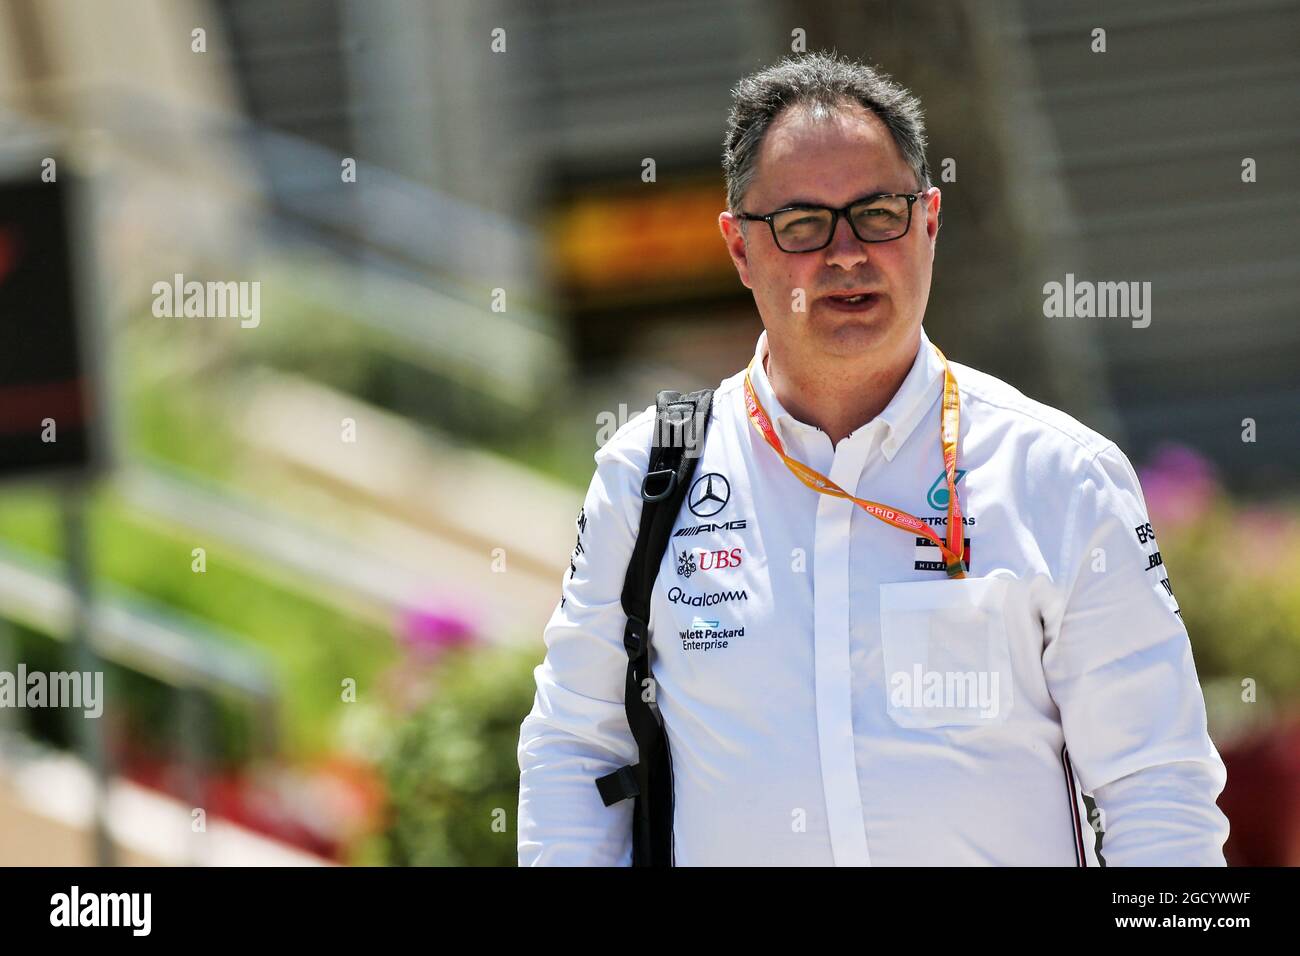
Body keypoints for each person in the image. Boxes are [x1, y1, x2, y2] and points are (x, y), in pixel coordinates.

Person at [516, 51, 1229, 866]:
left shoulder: (1059, 474)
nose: (846, 253)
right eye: (802, 224)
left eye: (878, 214)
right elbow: (576, 748)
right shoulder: (648, 476)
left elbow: (1156, 787)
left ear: (929, 221)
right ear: (741, 250)